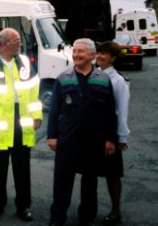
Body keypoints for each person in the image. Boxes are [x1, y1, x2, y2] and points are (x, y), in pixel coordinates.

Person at [0, 28, 43, 222]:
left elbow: (33, 91)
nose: (19, 43)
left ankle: (24, 206)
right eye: (16, 40)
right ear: (4, 44)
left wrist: (37, 114)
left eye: (19, 40)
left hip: (21, 122)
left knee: (22, 169)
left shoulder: (25, 63)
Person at [47, 38, 118, 226]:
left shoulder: (103, 79)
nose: (76, 55)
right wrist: (52, 136)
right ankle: (57, 219)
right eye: (75, 51)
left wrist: (111, 139)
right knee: (62, 181)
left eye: (81, 51)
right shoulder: (63, 78)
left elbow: (110, 112)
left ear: (92, 55)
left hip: (93, 141)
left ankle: (86, 218)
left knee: (89, 183)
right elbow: (54, 111)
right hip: (67, 139)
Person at [96, 41, 131, 226]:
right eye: (98, 53)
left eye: (104, 54)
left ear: (113, 58)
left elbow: (121, 110)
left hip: (109, 134)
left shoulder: (118, 81)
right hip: (93, 132)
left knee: (112, 174)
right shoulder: (93, 75)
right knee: (91, 172)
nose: (100, 56)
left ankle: (115, 210)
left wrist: (121, 136)